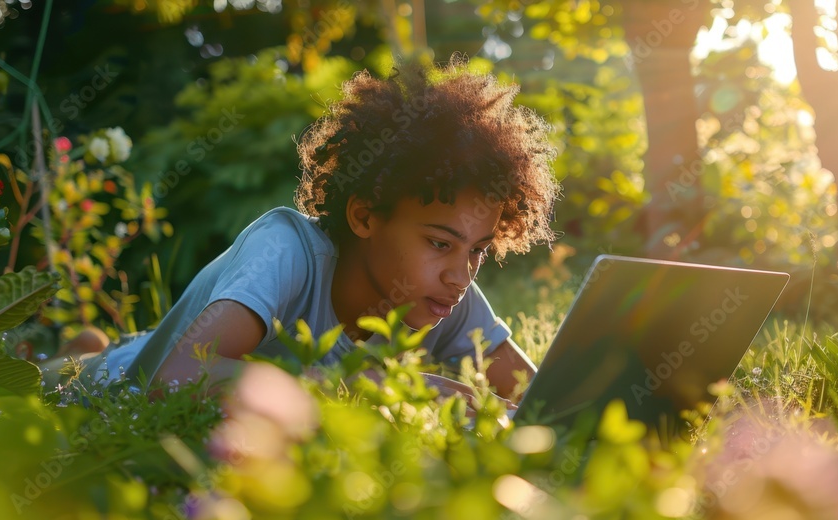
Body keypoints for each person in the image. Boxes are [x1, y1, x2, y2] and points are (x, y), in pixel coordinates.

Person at [41, 55, 562, 408]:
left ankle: (85, 343)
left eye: (478, 250)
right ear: (363, 216)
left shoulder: (444, 292)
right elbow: (175, 375)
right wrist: (376, 387)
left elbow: (544, 405)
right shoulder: (287, 249)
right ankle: (71, 355)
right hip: (117, 382)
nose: (460, 274)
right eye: (440, 243)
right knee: (49, 379)